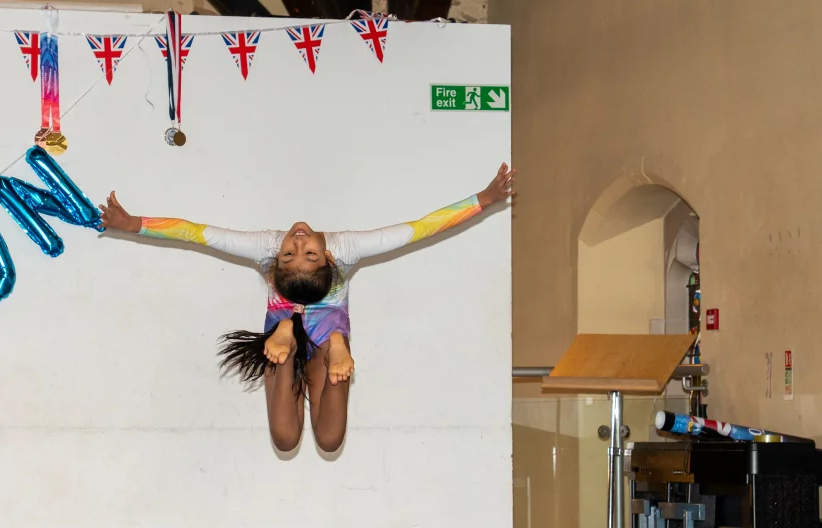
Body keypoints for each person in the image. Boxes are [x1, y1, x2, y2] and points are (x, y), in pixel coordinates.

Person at [98, 164, 516, 453]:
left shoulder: (269, 246)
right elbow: (420, 229)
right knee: (311, 439)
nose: (297, 241)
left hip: (288, 345)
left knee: (301, 439)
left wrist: (485, 198)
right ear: (329, 260)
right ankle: (329, 339)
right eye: (300, 252)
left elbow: (196, 232)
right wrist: (484, 198)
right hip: (314, 344)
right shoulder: (342, 248)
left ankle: (293, 331)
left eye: (299, 252)